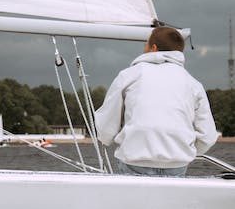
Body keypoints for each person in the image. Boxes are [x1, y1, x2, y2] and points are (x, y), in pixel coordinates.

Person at [94, 26, 220, 176]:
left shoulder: (129, 76)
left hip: (135, 161)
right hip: (177, 164)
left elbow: (106, 126)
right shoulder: (192, 84)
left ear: (153, 48)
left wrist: (108, 138)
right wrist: (182, 151)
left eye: (145, 45)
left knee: (134, 200)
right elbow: (208, 135)